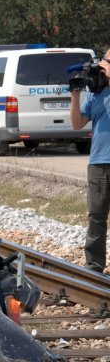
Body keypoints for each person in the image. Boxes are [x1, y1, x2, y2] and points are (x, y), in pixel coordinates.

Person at [70, 49, 110, 273]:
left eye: (106, 62)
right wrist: (75, 95)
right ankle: (94, 266)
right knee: (96, 216)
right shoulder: (95, 94)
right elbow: (77, 124)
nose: (101, 65)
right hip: (98, 163)